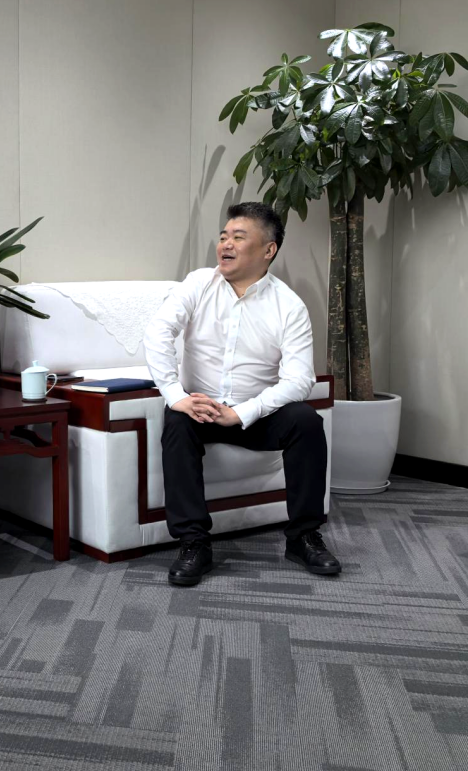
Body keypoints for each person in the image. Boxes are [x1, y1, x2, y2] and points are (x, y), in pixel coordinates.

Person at [144, 201, 342, 587]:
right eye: (223, 237)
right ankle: (193, 542)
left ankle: (303, 536)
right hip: (201, 408)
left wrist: (242, 412)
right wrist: (175, 394)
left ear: (268, 249)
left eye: (238, 237)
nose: (225, 245)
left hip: (256, 415)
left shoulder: (289, 306)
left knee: (305, 420)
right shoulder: (198, 284)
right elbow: (158, 332)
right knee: (177, 422)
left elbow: (299, 379)